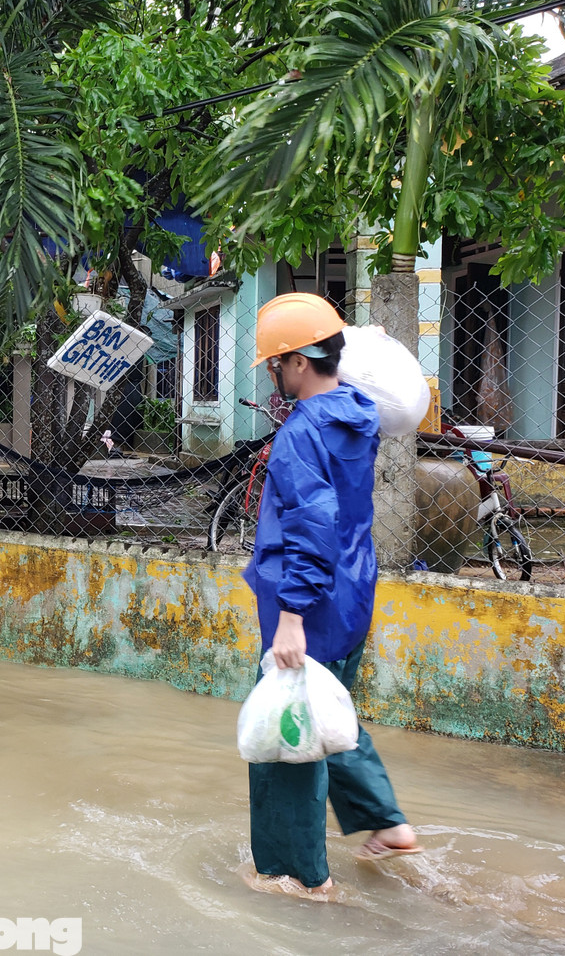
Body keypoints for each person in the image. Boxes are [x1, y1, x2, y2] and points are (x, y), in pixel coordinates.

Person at [243, 292, 421, 898]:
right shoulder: (356, 414)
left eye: (275, 363)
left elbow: (311, 524)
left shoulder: (302, 433)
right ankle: (386, 822)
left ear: (298, 362)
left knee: (288, 737)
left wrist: (292, 616)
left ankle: (294, 877)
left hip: (310, 604)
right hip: (351, 594)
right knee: (329, 711)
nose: (273, 374)